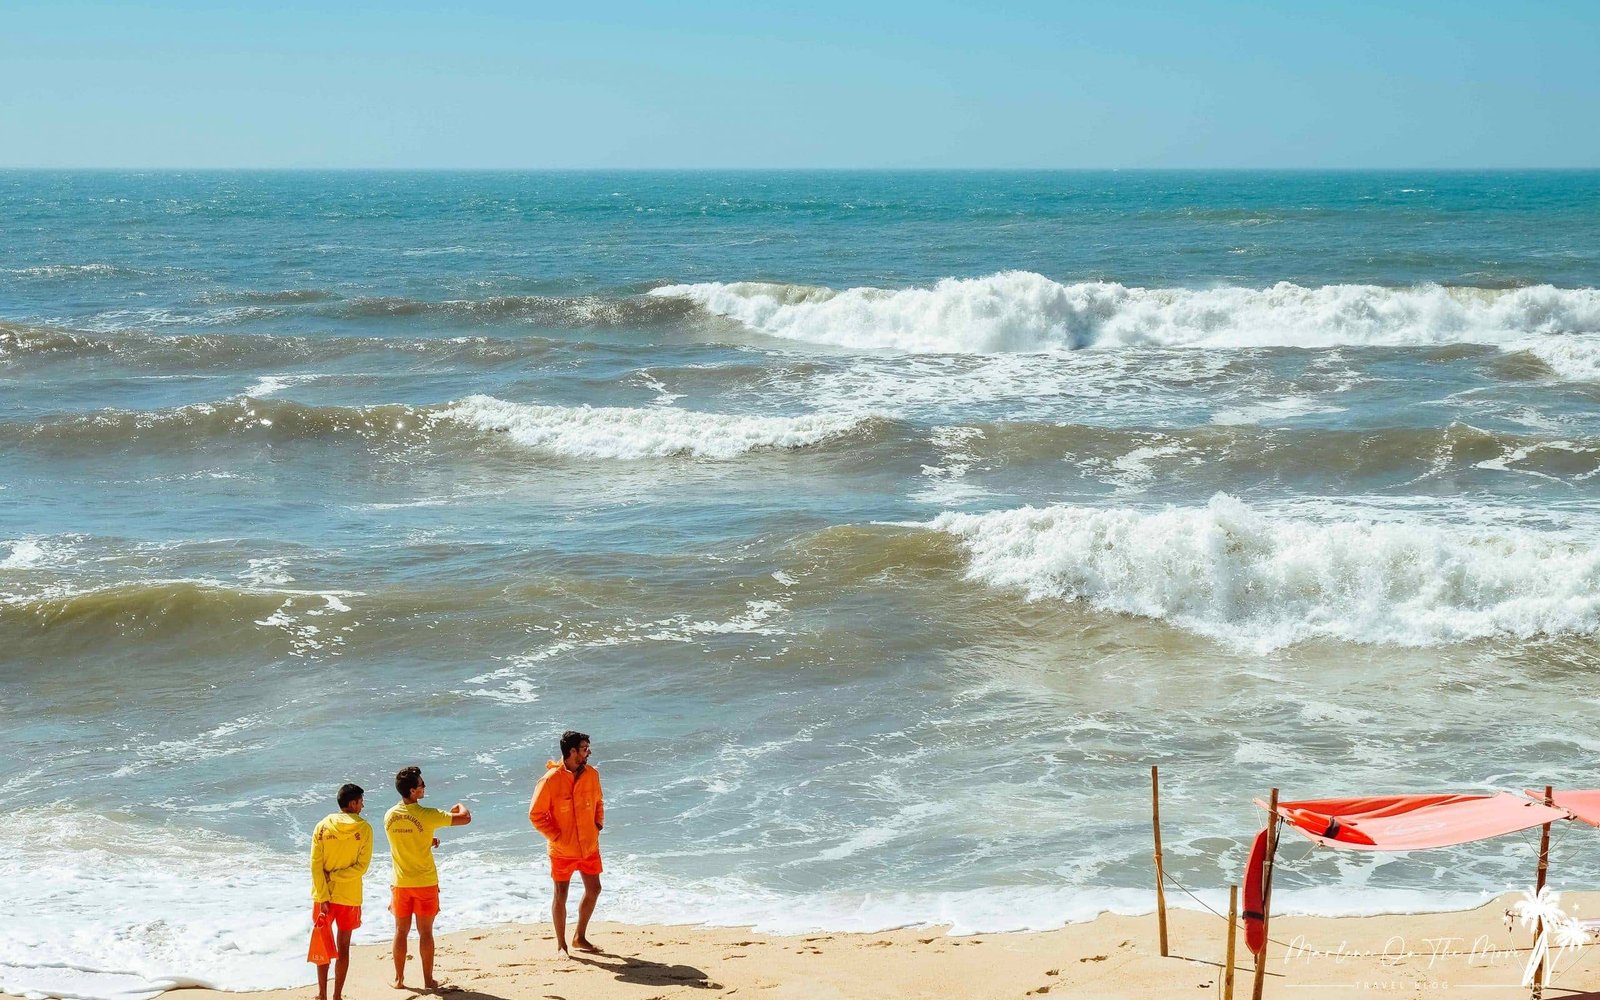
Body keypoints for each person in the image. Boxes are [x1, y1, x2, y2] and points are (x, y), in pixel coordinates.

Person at [384, 766, 471, 990]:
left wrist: (427, 841)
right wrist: (460, 805)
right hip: (424, 882)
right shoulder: (428, 815)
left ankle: (399, 979)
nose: (424, 787)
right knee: (426, 933)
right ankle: (428, 980)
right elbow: (465, 818)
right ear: (413, 791)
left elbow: (405, 840)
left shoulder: (389, 816)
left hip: (400, 883)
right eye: (421, 784)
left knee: (400, 932)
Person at [529, 730, 604, 958]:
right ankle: (561, 945)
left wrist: (598, 824)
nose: (588, 752)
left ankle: (579, 937)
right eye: (584, 749)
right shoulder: (550, 780)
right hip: (562, 850)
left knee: (594, 889)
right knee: (561, 895)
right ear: (572, 751)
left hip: (589, 846)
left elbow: (599, 802)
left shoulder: (592, 774)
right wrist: (556, 836)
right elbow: (536, 814)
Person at [310, 783, 372, 1000]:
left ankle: (322, 994)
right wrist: (337, 877)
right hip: (349, 895)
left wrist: (324, 893)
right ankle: (337, 995)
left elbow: (315, 865)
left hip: (323, 896)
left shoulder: (322, 826)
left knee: (323, 946)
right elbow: (361, 867)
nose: (362, 806)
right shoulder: (364, 828)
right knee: (343, 947)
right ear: (353, 803)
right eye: (361, 802)